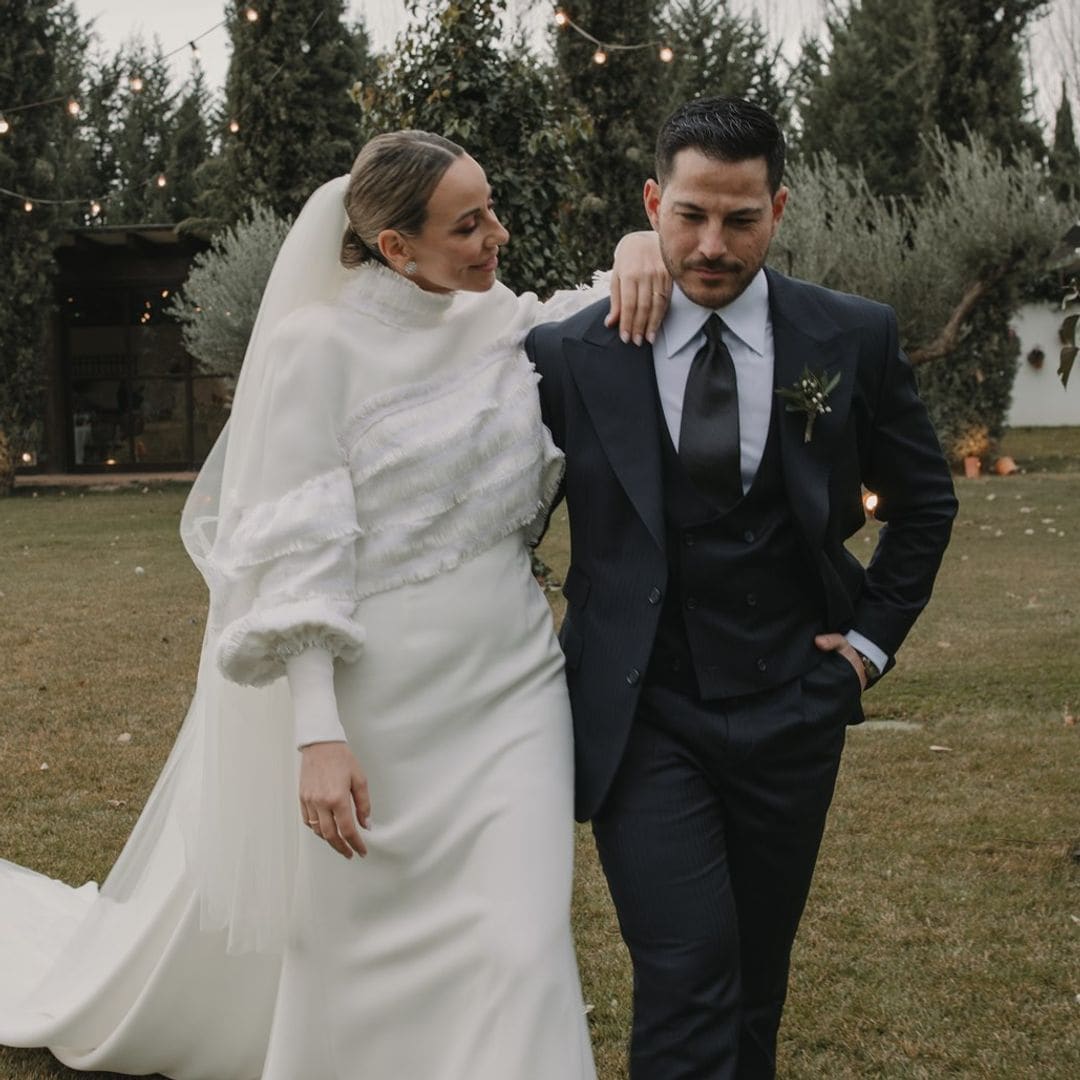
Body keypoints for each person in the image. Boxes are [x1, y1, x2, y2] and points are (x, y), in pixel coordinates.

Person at [0, 130, 669, 1079]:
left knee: (521, 941)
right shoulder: (317, 349)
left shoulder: (505, 321)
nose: (498, 237)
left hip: (514, 688)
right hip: (374, 705)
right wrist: (317, 733)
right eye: (468, 224)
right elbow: (294, 551)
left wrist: (643, 248)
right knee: (359, 957)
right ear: (394, 246)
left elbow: (605, 302)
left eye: (491, 212)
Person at [526, 97, 959, 1079]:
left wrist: (867, 653)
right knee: (688, 970)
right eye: (688, 215)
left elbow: (924, 508)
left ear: (781, 207)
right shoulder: (575, 351)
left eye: (741, 217)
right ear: (652, 203)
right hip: (643, 716)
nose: (713, 244)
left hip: (794, 707)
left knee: (756, 982)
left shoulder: (852, 337)